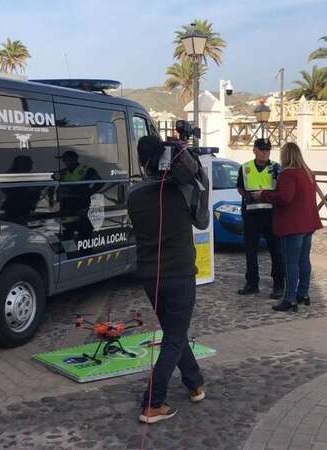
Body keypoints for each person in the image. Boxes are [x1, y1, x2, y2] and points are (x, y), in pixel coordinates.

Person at [127, 135, 206, 424]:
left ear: (139, 160)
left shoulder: (133, 196)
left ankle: (195, 382)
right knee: (174, 337)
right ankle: (152, 402)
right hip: (180, 274)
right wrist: (198, 171)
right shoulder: (183, 190)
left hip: (150, 276)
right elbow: (202, 221)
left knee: (175, 332)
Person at [252, 142, 322, 312]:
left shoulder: (288, 174)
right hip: (308, 223)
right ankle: (303, 293)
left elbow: (285, 198)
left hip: (293, 225)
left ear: (286, 156)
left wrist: (264, 195)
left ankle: (290, 298)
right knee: (304, 260)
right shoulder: (307, 173)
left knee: (291, 262)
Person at [236, 138, 285, 299]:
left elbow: (281, 191)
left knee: (276, 252)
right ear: (254, 150)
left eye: (268, 150)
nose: (265, 152)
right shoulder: (245, 168)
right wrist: (251, 197)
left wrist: (264, 196)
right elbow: (240, 188)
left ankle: (278, 285)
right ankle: (252, 283)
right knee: (250, 252)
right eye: (262, 149)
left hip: (271, 216)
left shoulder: (276, 168)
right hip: (251, 216)